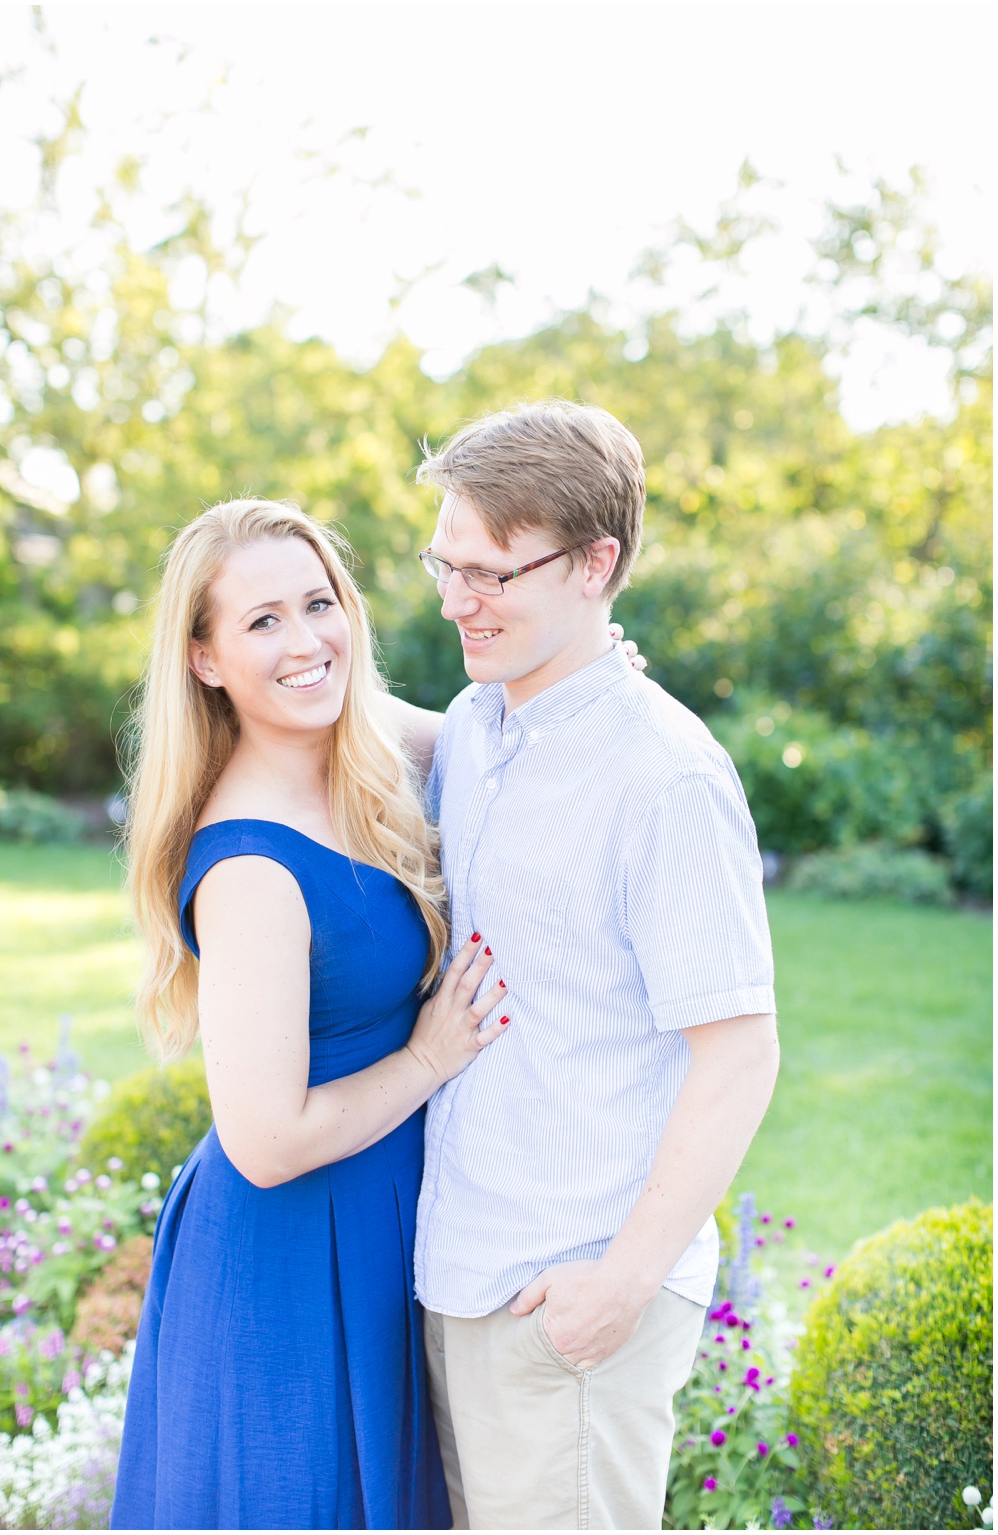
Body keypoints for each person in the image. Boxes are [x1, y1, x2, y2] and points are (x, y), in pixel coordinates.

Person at [109, 498, 513, 1529]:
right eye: (260, 622)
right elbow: (263, 1138)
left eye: (316, 603)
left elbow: (500, 724)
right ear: (201, 657)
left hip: (380, 1223)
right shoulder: (248, 864)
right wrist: (428, 1060)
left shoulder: (364, 741)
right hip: (291, 1259)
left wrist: (592, 675)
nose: (304, 642)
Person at [411, 400, 779, 1530]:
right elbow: (327, 710)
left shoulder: (664, 777)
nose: (455, 597)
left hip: (573, 1294)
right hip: (461, 1273)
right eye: (443, 561)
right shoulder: (477, 725)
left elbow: (739, 1053)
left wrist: (615, 1286)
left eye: (490, 571)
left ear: (594, 564)